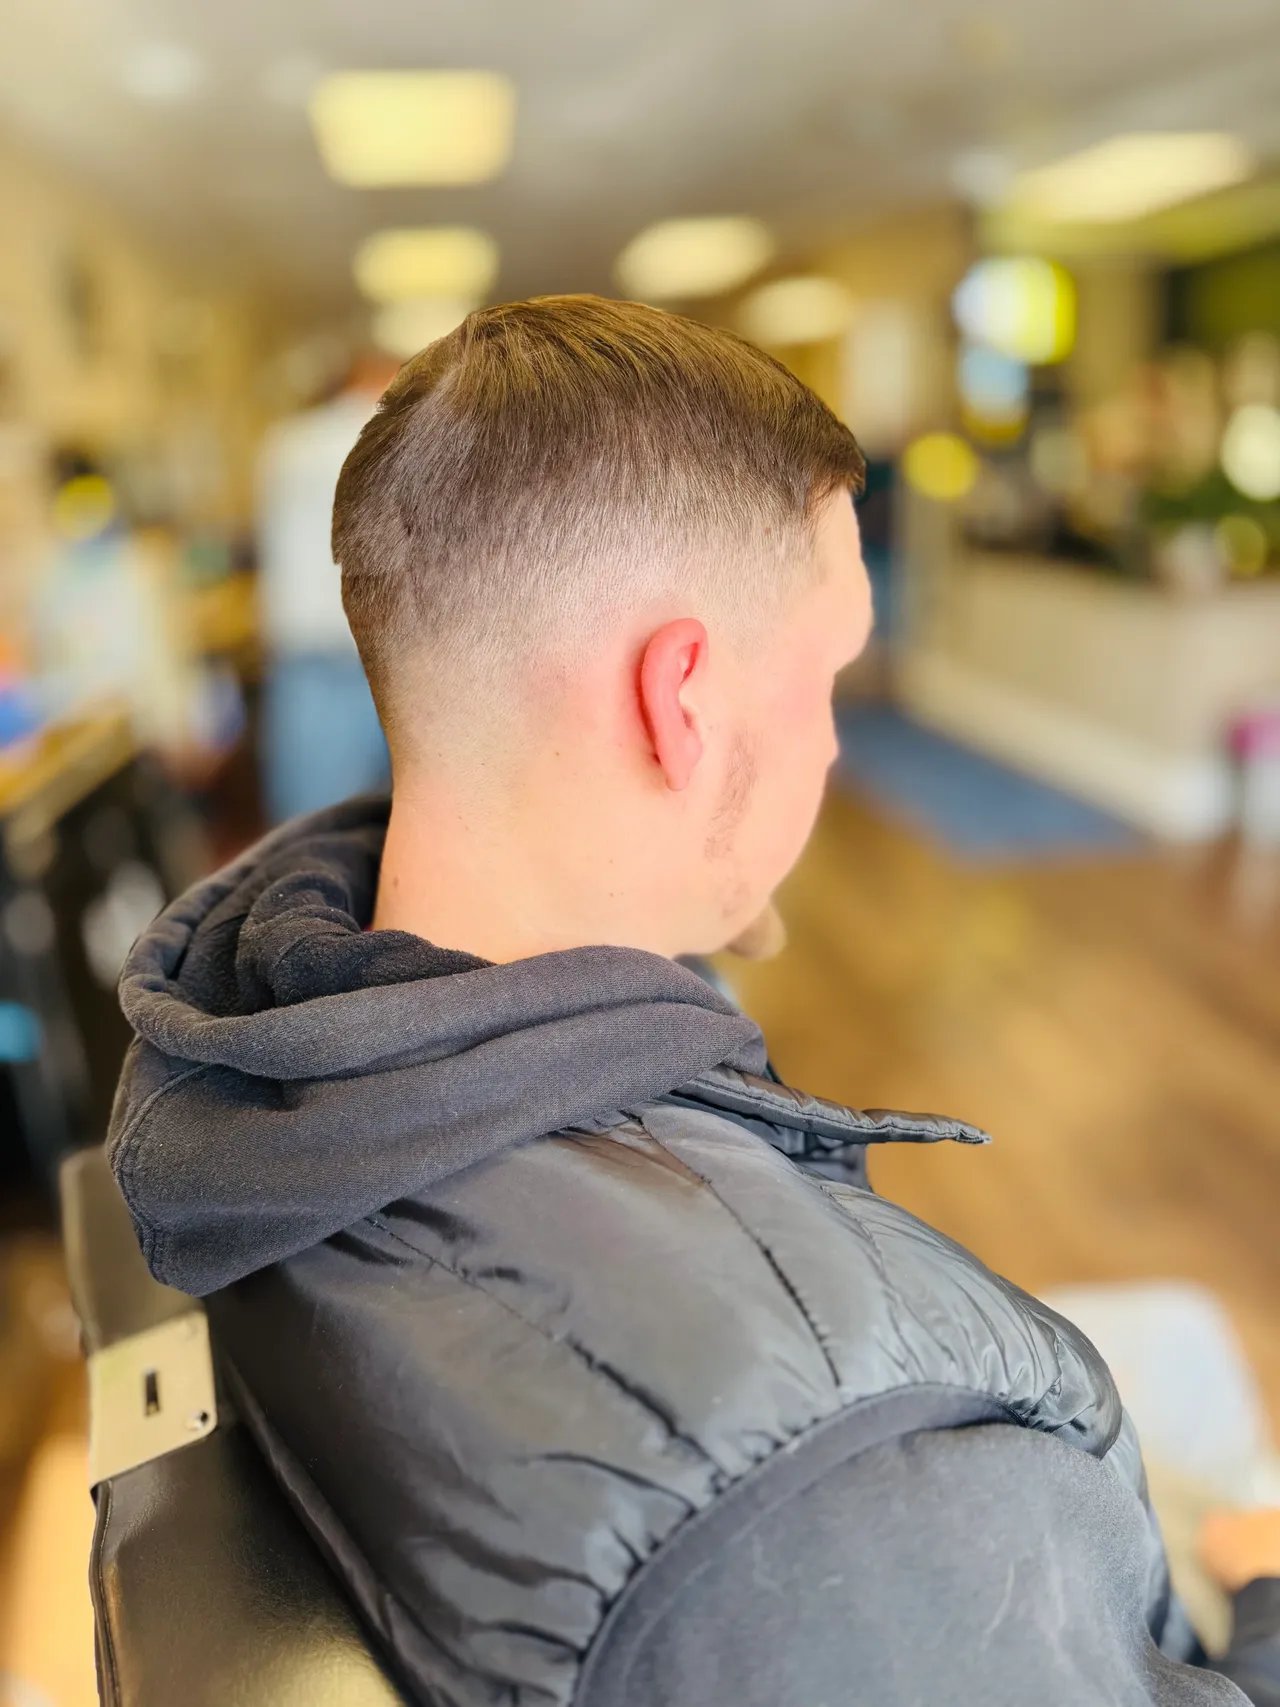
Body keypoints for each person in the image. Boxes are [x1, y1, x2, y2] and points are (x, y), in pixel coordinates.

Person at [108, 297, 1280, 1705]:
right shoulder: (859, 1493)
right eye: (829, 673)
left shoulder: (251, 1042)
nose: (837, 739)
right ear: (683, 700)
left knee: (1186, 1337)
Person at [254, 354, 394, 822]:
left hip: (311, 657)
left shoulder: (287, 443)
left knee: (314, 827)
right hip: (354, 656)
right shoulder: (380, 432)